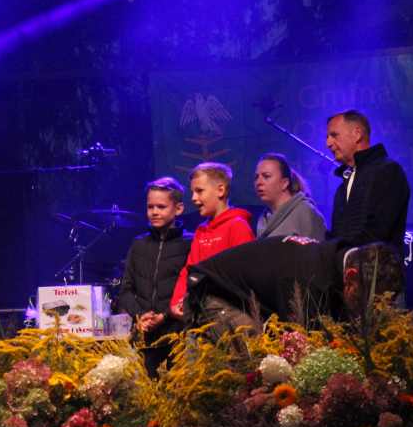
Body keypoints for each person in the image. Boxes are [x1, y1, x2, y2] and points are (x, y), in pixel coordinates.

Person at [182, 235, 403, 334]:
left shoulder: (337, 258)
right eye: (367, 300)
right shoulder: (308, 281)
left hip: (248, 296)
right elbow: (300, 342)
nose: (369, 309)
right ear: (351, 276)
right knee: (260, 362)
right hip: (212, 292)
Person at [113, 177, 192, 378]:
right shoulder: (139, 244)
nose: (154, 212)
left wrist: (164, 315)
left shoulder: (189, 243)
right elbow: (126, 289)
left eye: (161, 207)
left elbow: (190, 289)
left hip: (176, 333)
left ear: (178, 209)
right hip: (144, 333)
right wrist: (141, 316)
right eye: (150, 207)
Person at [168, 163, 254, 319]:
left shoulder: (238, 226)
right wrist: (177, 300)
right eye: (193, 192)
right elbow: (189, 270)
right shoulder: (201, 231)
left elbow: (244, 276)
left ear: (220, 190)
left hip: (229, 315)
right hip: (201, 312)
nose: (193, 198)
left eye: (199, 191)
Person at [325, 110, 410, 249]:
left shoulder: (388, 171)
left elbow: (377, 232)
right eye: (327, 137)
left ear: (357, 134)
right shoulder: (343, 186)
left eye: (334, 135)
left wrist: (339, 252)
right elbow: (338, 233)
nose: (328, 143)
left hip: (377, 262)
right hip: (346, 261)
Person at [253, 153, 326, 241]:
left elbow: (317, 247)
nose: (259, 182)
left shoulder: (304, 211)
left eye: (266, 176)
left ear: (285, 183)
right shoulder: (263, 219)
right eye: (256, 177)